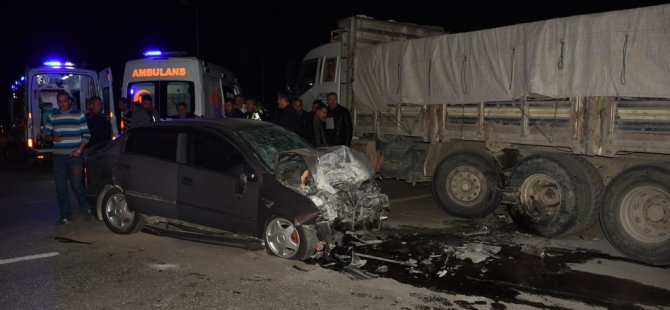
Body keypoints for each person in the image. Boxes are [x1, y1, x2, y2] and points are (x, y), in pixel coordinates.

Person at [42, 90, 92, 225]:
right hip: (58, 157)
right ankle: (65, 215)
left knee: (76, 184)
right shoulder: (53, 116)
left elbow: (86, 135)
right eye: (59, 101)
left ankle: (84, 204)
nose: (62, 104)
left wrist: (79, 150)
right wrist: (53, 137)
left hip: (75, 157)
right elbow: (44, 134)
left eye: (64, 101)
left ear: (70, 101)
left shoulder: (78, 115)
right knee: (60, 187)